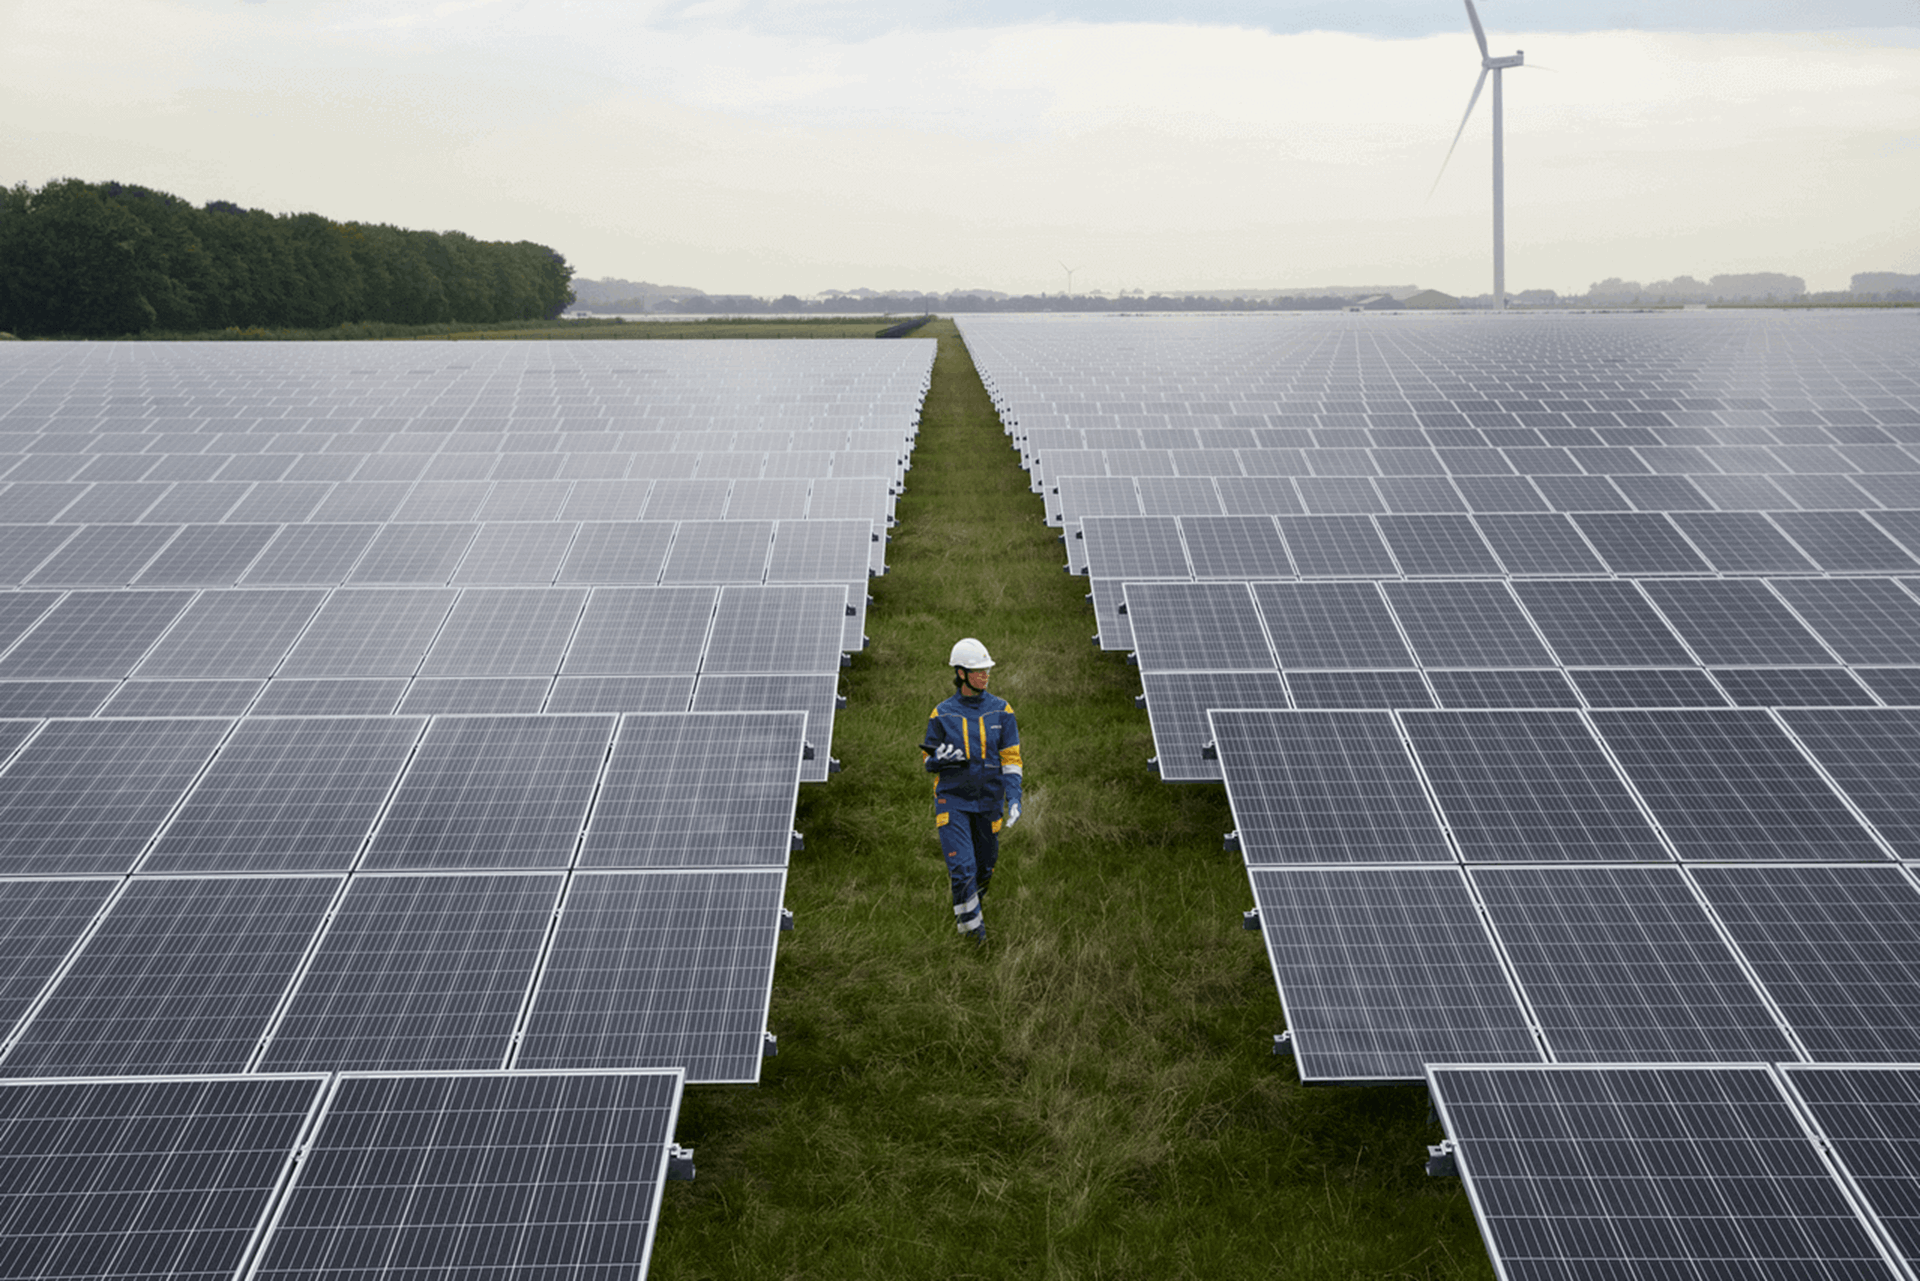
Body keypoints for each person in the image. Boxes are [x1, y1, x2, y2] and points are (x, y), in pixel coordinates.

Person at [920, 637, 1023, 943]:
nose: (985, 675)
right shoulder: (941, 714)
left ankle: (972, 908)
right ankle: (973, 940)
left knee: (983, 869)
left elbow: (1011, 759)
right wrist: (939, 760)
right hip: (953, 802)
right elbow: (928, 761)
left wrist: (1014, 797)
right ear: (961, 673)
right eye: (978, 671)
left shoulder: (1003, 711)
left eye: (987, 670)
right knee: (962, 868)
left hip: (990, 803)